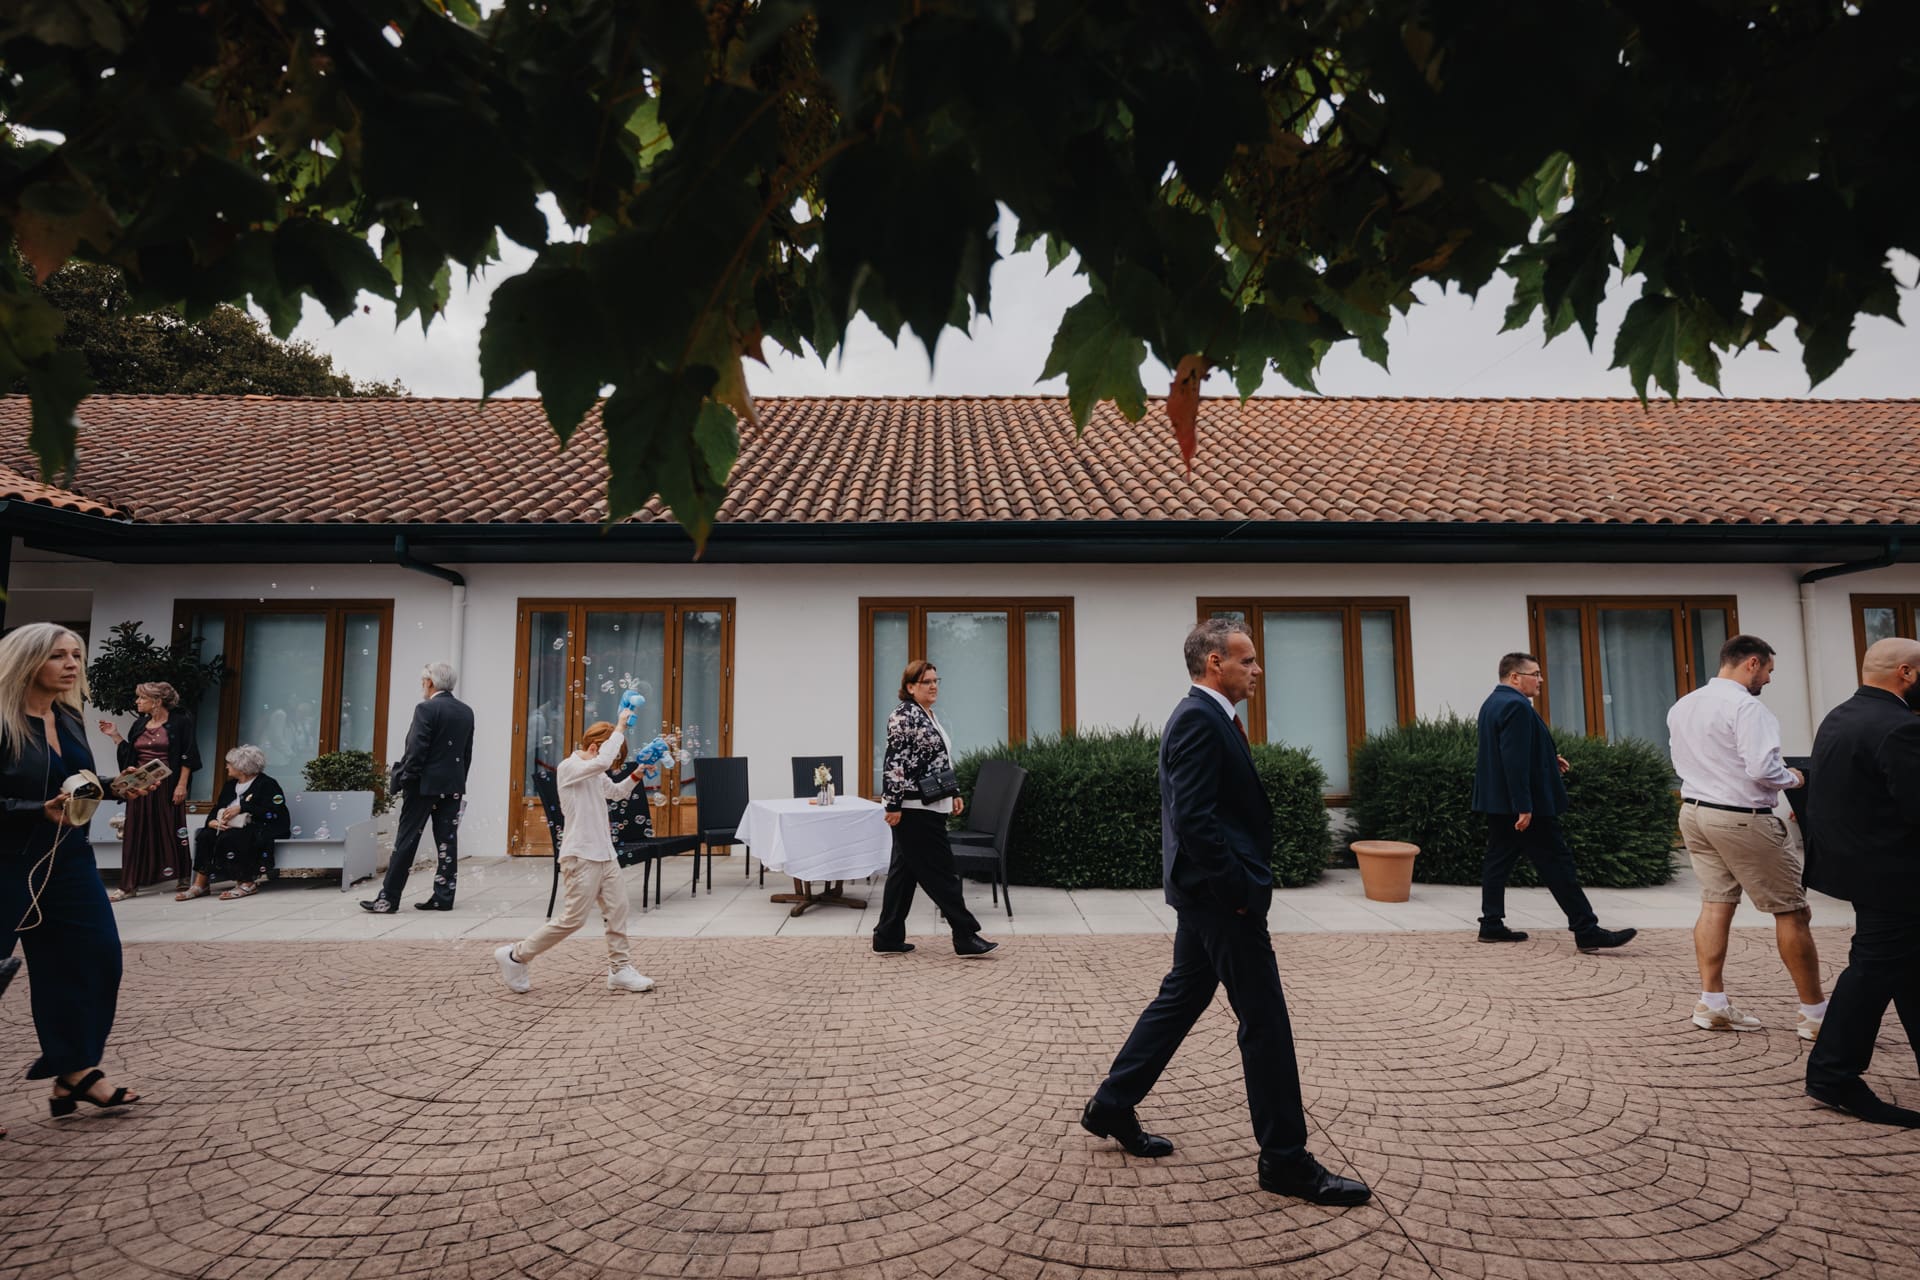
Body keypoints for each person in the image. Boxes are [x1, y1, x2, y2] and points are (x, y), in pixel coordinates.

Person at [1083, 619, 1369, 1205]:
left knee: (1182, 997)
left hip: (1206, 897)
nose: (1258, 670)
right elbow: (1192, 818)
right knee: (1265, 1022)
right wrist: (1237, 887)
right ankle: (1285, 1160)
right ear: (1215, 663)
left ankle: (1112, 1104)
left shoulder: (1210, 716)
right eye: (1248, 660)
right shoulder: (1197, 718)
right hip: (1220, 901)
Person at [0, 623, 142, 1135]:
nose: (71, 664)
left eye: (76, 655)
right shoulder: (3, 720)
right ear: (26, 660)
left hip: (67, 859)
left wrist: (112, 786)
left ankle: (74, 1072)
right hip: (8, 859)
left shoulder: (68, 715)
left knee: (94, 957)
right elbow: (35, 796)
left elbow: (71, 783)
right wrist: (34, 811)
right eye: (58, 655)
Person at [1666, 634, 1823, 1037]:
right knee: (1792, 910)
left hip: (1695, 814)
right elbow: (1763, 769)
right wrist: (1795, 777)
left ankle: (1713, 1003)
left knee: (1716, 904)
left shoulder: (1684, 704)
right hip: (1741, 817)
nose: (1768, 679)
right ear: (1751, 663)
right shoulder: (1748, 708)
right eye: (1768, 670)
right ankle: (1816, 1016)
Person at [1803, 636, 1920, 1128]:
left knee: (1906, 967)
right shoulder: (1899, 727)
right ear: (1908, 674)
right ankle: (1833, 1075)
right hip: (1895, 874)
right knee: (1872, 971)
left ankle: (1833, 1073)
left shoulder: (1841, 714)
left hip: (1861, 866)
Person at [495, 707, 675, 994]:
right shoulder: (570, 768)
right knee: (573, 919)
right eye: (613, 758)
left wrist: (638, 774)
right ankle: (516, 955)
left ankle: (620, 970)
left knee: (618, 910)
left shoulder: (593, 771)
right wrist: (620, 725)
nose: (613, 765)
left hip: (604, 853)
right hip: (580, 856)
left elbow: (615, 792)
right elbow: (603, 762)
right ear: (595, 747)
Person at [1471, 652, 1636, 952]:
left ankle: (1491, 924)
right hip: (1526, 806)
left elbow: (1505, 752)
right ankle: (1586, 929)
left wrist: (1547, 758)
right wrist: (1524, 806)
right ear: (1515, 677)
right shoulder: (1516, 705)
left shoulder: (1492, 703)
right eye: (1535, 674)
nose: (1541, 680)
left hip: (1499, 803)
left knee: (1497, 861)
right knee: (1558, 864)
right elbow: (1513, 760)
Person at [871, 659, 998, 958]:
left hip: (929, 804)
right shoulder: (903, 716)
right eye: (925, 681)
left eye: (935, 680)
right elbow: (895, 762)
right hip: (915, 809)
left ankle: (887, 936)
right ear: (910, 687)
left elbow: (939, 761)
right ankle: (965, 935)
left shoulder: (928, 714)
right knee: (942, 873)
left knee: (903, 873)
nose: (932, 686)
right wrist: (892, 803)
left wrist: (952, 791)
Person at [362, 662, 474, 913]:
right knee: (447, 842)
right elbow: (466, 753)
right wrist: (458, 781)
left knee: (406, 841)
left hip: (423, 787)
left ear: (430, 682)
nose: (422, 686)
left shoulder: (426, 709)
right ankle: (443, 897)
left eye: (423, 682)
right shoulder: (466, 711)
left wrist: (406, 779)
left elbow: (416, 750)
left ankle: (388, 898)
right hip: (452, 785)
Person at [97, 680, 199, 899]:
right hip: (140, 785)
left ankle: (181, 875)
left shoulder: (180, 721)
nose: (137, 702)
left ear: (157, 701)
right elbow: (129, 756)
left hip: (168, 784)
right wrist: (115, 735)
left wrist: (182, 785)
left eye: (142, 698)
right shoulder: (139, 725)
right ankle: (129, 885)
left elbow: (188, 755)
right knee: (135, 832)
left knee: (171, 828)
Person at [176, 744, 291, 901]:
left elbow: (274, 811)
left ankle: (246, 882)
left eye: (229, 764)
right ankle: (200, 884)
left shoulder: (267, 784)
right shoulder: (230, 785)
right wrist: (212, 822)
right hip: (231, 827)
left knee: (235, 837)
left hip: (263, 827)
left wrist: (242, 807)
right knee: (206, 835)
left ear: (242, 766)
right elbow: (217, 808)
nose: (226, 767)